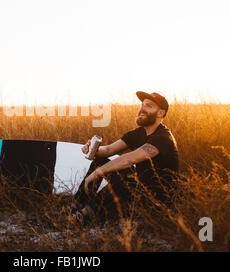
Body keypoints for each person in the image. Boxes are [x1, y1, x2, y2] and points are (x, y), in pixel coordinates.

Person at [72, 91, 180, 224]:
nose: (142, 109)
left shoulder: (163, 138)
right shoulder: (138, 133)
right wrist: (93, 148)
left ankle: (86, 215)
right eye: (143, 104)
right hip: (139, 189)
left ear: (160, 113)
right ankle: (76, 207)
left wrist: (96, 173)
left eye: (149, 106)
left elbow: (128, 160)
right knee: (101, 161)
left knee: (125, 178)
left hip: (156, 200)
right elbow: (108, 150)